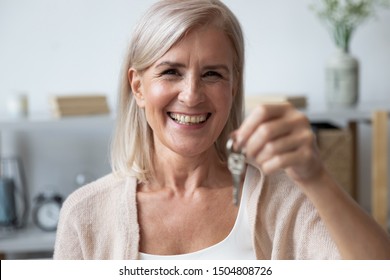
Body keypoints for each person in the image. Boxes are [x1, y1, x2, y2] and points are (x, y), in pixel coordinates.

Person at [53, 0, 390, 260]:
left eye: (212, 74)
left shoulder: (283, 202)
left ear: (233, 87)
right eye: (171, 71)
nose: (191, 95)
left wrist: (316, 176)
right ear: (138, 87)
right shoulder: (85, 214)